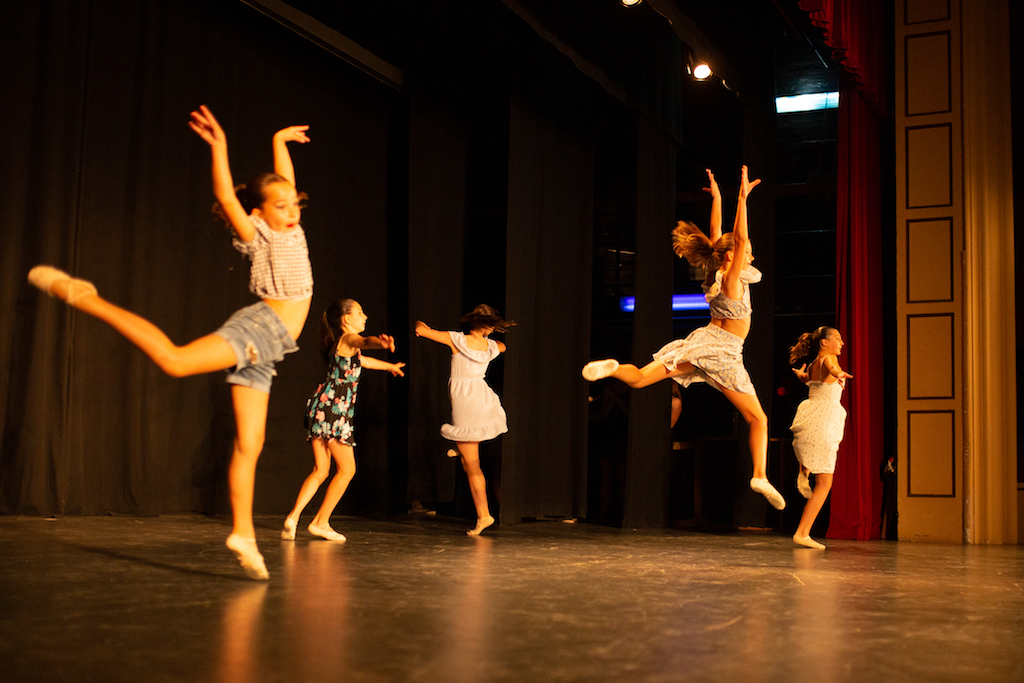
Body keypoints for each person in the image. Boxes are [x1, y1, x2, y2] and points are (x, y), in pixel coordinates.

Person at [28, 106, 312, 580]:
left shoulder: (292, 227)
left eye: (294, 204)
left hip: (271, 350)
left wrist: (279, 141)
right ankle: (85, 297)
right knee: (175, 361)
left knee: (250, 443)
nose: (290, 212)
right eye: (279, 207)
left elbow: (285, 182)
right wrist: (220, 147)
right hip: (258, 330)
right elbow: (226, 195)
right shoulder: (259, 233)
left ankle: (243, 534)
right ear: (258, 213)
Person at [581, 166, 786, 511]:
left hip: (700, 342)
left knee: (640, 378)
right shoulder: (732, 278)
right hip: (725, 353)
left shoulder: (714, 271)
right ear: (733, 256)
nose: (750, 254)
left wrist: (717, 198)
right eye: (746, 251)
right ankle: (760, 475)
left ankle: (614, 368)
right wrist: (741, 198)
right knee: (758, 419)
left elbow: (717, 236)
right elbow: (736, 238)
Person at [282, 299, 405, 542]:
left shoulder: (342, 346)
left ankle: (292, 518)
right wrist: (380, 343)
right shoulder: (349, 339)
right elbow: (364, 343)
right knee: (347, 469)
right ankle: (320, 522)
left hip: (321, 407)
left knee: (321, 470)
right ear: (347, 318)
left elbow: (363, 361)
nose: (365, 316)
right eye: (360, 312)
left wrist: (389, 366)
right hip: (335, 411)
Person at [415, 305, 513, 536]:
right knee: (468, 453)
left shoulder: (457, 340)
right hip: (482, 396)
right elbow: (503, 346)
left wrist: (421, 325)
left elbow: (421, 330)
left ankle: (484, 515)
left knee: (472, 465)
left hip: (465, 402)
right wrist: (489, 339)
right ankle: (460, 450)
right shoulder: (492, 346)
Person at [788, 326, 852, 549]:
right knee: (824, 483)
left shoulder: (815, 363)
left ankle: (804, 471)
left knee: (814, 459)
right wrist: (839, 374)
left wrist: (801, 376)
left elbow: (810, 380)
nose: (841, 343)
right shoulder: (829, 360)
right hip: (825, 419)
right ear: (824, 342)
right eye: (837, 339)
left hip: (811, 415)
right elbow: (832, 368)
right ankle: (802, 533)